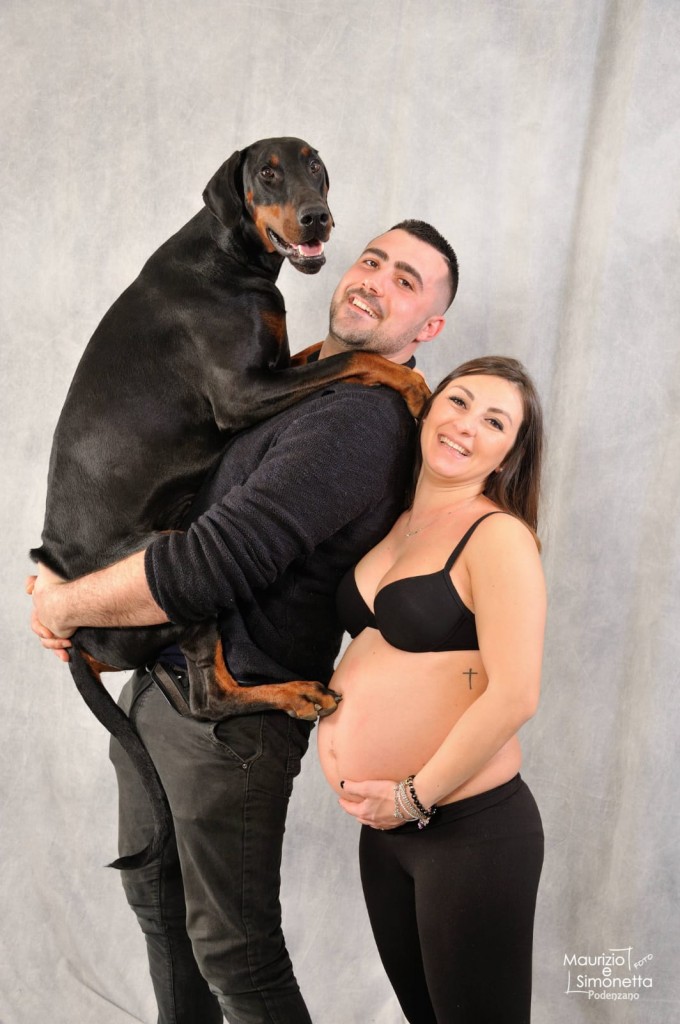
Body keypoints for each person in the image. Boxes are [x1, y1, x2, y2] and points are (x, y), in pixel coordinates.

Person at [29, 221, 459, 1024]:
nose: (375, 279)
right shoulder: (291, 383)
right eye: (373, 260)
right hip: (164, 691)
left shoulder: (360, 420)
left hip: (232, 728)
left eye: (406, 281)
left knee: (236, 956)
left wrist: (66, 606)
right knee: (159, 909)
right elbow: (171, 488)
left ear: (428, 327)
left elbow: (209, 564)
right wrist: (70, 573)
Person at [317, 356, 546, 1024]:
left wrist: (410, 796)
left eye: (495, 422)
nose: (467, 425)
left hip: (468, 831)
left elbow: (514, 695)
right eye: (460, 401)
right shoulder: (391, 524)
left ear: (509, 455)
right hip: (385, 832)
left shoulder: (497, 536)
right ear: (429, 406)